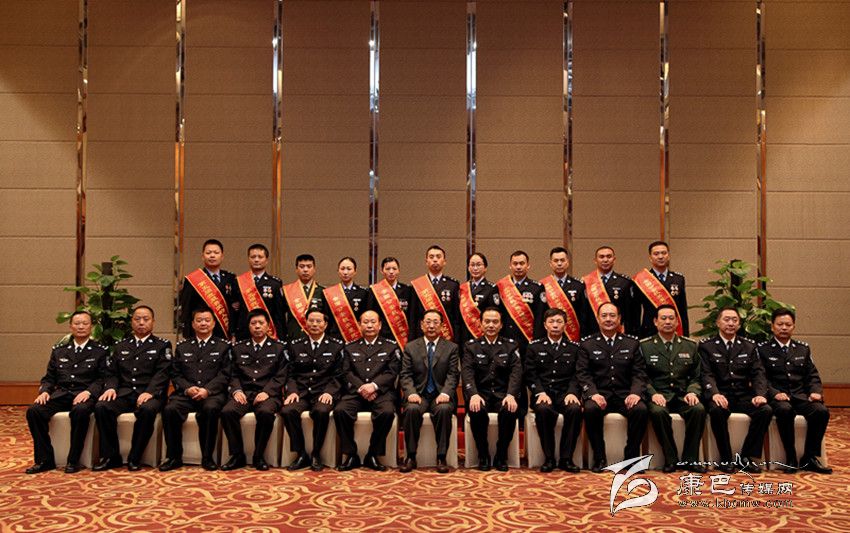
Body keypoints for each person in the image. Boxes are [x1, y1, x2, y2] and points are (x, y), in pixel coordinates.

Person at [25, 311, 108, 474]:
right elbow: (49, 377)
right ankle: (44, 460)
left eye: (85, 323)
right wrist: (45, 391)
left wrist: (89, 392)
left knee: (80, 411)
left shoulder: (100, 351)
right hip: (62, 394)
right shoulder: (59, 351)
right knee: (34, 411)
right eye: (77, 323)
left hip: (84, 395)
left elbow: (103, 378)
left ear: (91, 326)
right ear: (70, 326)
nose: (81, 326)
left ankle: (73, 460)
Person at [93, 305, 172, 472]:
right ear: (132, 322)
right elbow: (112, 373)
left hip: (151, 394)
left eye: (146, 319)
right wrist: (110, 388)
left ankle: (135, 457)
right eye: (137, 319)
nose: (141, 323)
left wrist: (150, 392)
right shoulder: (121, 345)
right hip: (125, 393)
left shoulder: (162, 345)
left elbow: (162, 373)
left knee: (147, 410)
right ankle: (111, 456)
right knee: (102, 407)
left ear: (153, 322)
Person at [757, 308, 831, 474]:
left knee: (821, 411)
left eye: (788, 324)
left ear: (793, 327)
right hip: (778, 397)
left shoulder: (802, 348)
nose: (784, 328)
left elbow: (812, 375)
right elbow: (760, 378)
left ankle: (809, 457)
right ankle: (790, 456)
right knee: (785, 410)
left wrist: (815, 391)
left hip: (800, 395)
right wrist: (774, 393)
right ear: (772, 327)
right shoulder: (762, 349)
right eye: (780, 324)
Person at [576, 302, 648, 473]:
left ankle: (631, 458)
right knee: (590, 409)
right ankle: (599, 458)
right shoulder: (587, 344)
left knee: (641, 410)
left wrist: (635, 393)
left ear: (619, 319)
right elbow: (583, 373)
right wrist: (592, 394)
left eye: (612, 315)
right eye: (604, 316)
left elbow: (639, 373)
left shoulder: (632, 343)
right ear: (597, 319)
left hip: (625, 395)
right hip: (600, 394)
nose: (608, 319)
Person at [699, 307, 771, 474]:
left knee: (765, 410)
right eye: (726, 319)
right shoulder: (707, 346)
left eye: (734, 320)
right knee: (717, 411)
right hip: (720, 394)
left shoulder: (749, 346)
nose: (730, 323)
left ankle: (746, 457)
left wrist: (760, 395)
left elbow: (758, 374)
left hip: (743, 394)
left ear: (739, 324)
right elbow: (706, 374)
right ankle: (725, 459)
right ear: (718, 323)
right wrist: (714, 393)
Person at [159, 308, 231, 471]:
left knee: (210, 409)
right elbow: (175, 374)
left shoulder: (223, 346)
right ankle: (174, 457)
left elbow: (225, 374)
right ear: (193, 324)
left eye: (207, 320)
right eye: (199, 320)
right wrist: (187, 388)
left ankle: (207, 457)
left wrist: (207, 390)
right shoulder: (183, 346)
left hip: (212, 394)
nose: (203, 323)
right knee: (170, 409)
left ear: (213, 323)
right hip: (187, 394)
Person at [641, 304, 706, 473]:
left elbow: (697, 375)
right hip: (659, 395)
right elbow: (641, 376)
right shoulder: (645, 346)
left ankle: (690, 459)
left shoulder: (690, 345)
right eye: (663, 318)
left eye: (671, 318)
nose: (668, 322)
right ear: (655, 322)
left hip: (682, 395)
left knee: (698, 409)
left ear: (677, 322)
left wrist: (692, 391)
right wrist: (653, 394)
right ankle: (671, 459)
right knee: (657, 412)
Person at [220, 309, 288, 471]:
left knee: (265, 413)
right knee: (227, 412)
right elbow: (233, 374)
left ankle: (258, 456)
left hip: (268, 394)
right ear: (248, 326)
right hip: (244, 393)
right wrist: (236, 390)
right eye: (253, 323)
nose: (257, 326)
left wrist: (267, 392)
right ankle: (237, 455)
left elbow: (281, 375)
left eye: (261, 323)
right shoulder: (238, 348)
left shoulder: (279, 348)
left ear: (268, 326)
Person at [334, 311, 401, 471]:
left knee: (387, 412)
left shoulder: (391, 346)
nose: (369, 325)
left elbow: (392, 372)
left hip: (381, 393)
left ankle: (373, 454)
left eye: (373, 322)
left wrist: (374, 386)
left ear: (380, 325)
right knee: (340, 411)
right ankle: (351, 454)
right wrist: (362, 387)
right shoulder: (350, 347)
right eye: (365, 322)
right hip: (356, 393)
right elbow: (345, 372)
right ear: (359, 325)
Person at [280, 308, 344, 471]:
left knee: (321, 411)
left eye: (318, 321)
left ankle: (316, 453)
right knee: (288, 411)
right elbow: (290, 373)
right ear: (305, 323)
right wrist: (292, 391)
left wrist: (329, 392)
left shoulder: (336, 346)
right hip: (301, 392)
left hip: (323, 392)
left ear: (325, 324)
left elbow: (339, 375)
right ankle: (301, 454)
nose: (314, 324)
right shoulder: (295, 345)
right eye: (311, 321)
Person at [399, 310, 460, 474]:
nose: (431, 326)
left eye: (435, 322)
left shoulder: (451, 348)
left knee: (444, 409)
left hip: (441, 395)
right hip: (418, 394)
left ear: (442, 326)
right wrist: (411, 392)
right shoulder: (411, 347)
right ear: (421, 325)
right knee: (411, 409)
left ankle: (441, 457)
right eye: (428, 322)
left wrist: (446, 393)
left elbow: (453, 374)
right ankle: (411, 456)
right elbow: (405, 374)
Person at [462, 308, 522, 471]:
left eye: (495, 322)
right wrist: (473, 394)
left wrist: (511, 395)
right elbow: (467, 373)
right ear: (480, 324)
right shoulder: (471, 346)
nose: (491, 325)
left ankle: (501, 454)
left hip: (503, 395)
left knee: (510, 410)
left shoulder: (511, 346)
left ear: (501, 325)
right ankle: (483, 454)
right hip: (481, 395)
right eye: (487, 321)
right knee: (476, 410)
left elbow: (516, 373)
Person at [525, 308, 583, 473]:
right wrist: (540, 392)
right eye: (551, 322)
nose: (555, 325)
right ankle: (549, 458)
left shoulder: (574, 348)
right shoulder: (534, 347)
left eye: (559, 322)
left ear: (565, 325)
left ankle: (566, 458)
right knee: (543, 409)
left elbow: (578, 374)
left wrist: (572, 392)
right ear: (545, 325)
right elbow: (530, 374)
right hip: (544, 393)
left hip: (565, 394)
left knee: (575, 409)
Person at [178, 238, 238, 340]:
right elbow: (186, 308)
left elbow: (235, 306)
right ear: (203, 256)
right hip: (200, 332)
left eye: (216, 253)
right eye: (208, 253)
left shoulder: (230, 278)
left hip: (224, 331)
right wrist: (188, 333)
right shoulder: (193, 279)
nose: (212, 256)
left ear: (222, 256)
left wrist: (234, 331)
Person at [494, 250, 546, 354]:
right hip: (505, 339)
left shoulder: (537, 287)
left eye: (522, 263)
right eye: (515, 264)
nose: (518, 267)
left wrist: (536, 341)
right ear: (510, 266)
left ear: (528, 265)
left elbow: (540, 317)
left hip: (528, 339)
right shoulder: (501, 286)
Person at [635, 241, 689, 339]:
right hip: (649, 331)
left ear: (669, 256)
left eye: (664, 253)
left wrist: (685, 335)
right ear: (650, 257)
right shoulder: (641, 279)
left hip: (674, 331)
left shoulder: (678, 279)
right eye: (656, 254)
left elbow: (682, 310)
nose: (660, 257)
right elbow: (635, 312)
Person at [409, 245, 461, 343]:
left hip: (446, 338)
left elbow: (456, 318)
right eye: (431, 257)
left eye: (438, 257)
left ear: (444, 261)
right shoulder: (417, 285)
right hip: (422, 338)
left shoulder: (453, 285)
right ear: (426, 261)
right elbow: (413, 318)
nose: (435, 260)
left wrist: (457, 342)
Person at [233, 243, 285, 342]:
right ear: (248, 259)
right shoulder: (238, 282)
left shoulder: (275, 283)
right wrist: (233, 333)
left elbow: (279, 313)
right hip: (244, 333)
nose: (256, 260)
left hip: (268, 333)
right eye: (253, 257)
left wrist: (281, 337)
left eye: (260, 257)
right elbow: (235, 311)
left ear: (266, 260)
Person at [582, 246, 638, 335]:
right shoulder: (585, 282)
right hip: (592, 332)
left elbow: (630, 312)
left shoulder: (624, 282)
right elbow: (583, 312)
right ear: (595, 260)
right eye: (601, 257)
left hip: (618, 332)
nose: (605, 260)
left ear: (614, 259)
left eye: (609, 256)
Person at [540, 246, 589, 341]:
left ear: (567, 262)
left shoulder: (578, 285)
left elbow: (584, 314)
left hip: (573, 336)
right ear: (550, 264)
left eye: (562, 260)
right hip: (549, 336)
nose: (559, 263)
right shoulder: (543, 285)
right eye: (556, 261)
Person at [367, 256, 413, 348]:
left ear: (398, 270)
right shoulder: (374, 290)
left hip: (403, 335)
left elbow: (411, 315)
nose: (391, 272)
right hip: (382, 336)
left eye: (394, 269)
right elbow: (371, 314)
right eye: (388, 269)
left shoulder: (407, 290)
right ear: (382, 271)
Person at [282, 254, 327, 341]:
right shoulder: (287, 291)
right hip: (293, 338)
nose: (305, 270)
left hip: (316, 339)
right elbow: (281, 318)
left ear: (314, 269)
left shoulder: (323, 291)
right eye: (302, 267)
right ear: (296, 269)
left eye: (309, 266)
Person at [325, 257, 369, 343]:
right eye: (342, 269)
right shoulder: (329, 293)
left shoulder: (363, 293)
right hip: (334, 337)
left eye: (349, 269)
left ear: (355, 271)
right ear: (338, 271)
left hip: (356, 337)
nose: (345, 272)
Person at [458, 252, 496, 344]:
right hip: (464, 335)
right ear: (468, 268)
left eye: (478, 265)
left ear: (485, 268)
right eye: (472, 265)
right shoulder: (462, 288)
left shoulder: (491, 288)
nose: (475, 268)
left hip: (482, 335)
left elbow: (494, 313)